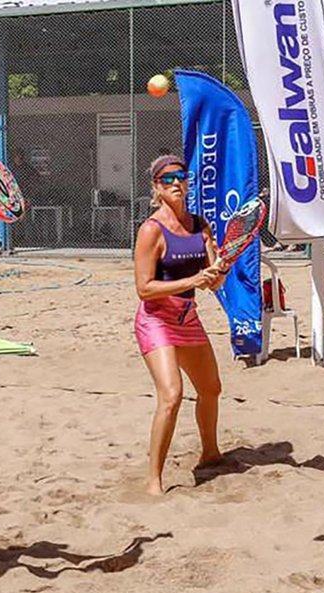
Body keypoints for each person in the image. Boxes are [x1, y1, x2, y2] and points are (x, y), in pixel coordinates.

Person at [133, 154, 227, 496]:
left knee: (212, 388)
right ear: (156, 187)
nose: (176, 183)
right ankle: (154, 479)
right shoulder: (150, 230)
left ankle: (210, 453)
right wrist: (194, 279)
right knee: (172, 395)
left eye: (181, 177)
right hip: (156, 320)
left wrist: (219, 271)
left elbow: (213, 281)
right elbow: (144, 288)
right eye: (167, 179)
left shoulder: (200, 226)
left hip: (187, 318)